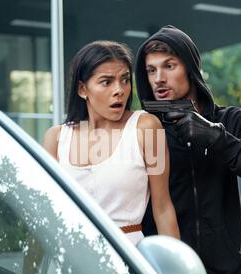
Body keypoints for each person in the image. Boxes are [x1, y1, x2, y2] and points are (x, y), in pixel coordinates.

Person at [135, 25, 241, 274]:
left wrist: (215, 137)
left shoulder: (231, 120)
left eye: (169, 66)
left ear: (191, 68)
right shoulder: (144, 129)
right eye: (151, 70)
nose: (159, 78)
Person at [43, 40, 180, 245]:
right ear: (82, 89)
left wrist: (177, 272)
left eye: (125, 80)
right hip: (67, 262)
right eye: (106, 82)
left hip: (126, 256)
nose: (120, 90)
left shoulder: (147, 128)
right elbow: (44, 215)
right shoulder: (55, 138)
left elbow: (162, 208)